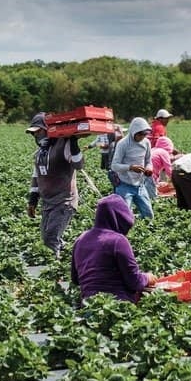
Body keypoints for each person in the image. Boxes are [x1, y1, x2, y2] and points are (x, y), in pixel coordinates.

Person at [71, 194, 157, 303]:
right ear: (120, 218)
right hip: (117, 306)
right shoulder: (118, 241)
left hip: (89, 305)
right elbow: (134, 282)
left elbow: (75, 279)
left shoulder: (81, 239)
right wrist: (147, 277)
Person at [26, 112, 85, 259]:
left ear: (47, 129)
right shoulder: (41, 152)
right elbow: (36, 175)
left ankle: (58, 268)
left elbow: (78, 164)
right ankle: (72, 255)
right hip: (47, 202)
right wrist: (33, 200)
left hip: (64, 201)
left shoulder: (63, 145)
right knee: (46, 237)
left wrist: (73, 142)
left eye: (38, 131)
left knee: (50, 238)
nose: (36, 136)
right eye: (34, 133)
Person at [110, 117, 154, 219]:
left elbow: (148, 161)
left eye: (145, 134)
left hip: (140, 186)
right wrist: (130, 167)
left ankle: (136, 224)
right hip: (124, 185)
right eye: (140, 134)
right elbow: (114, 166)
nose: (142, 137)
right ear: (133, 132)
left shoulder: (146, 143)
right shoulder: (123, 144)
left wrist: (149, 169)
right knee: (124, 216)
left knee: (149, 216)